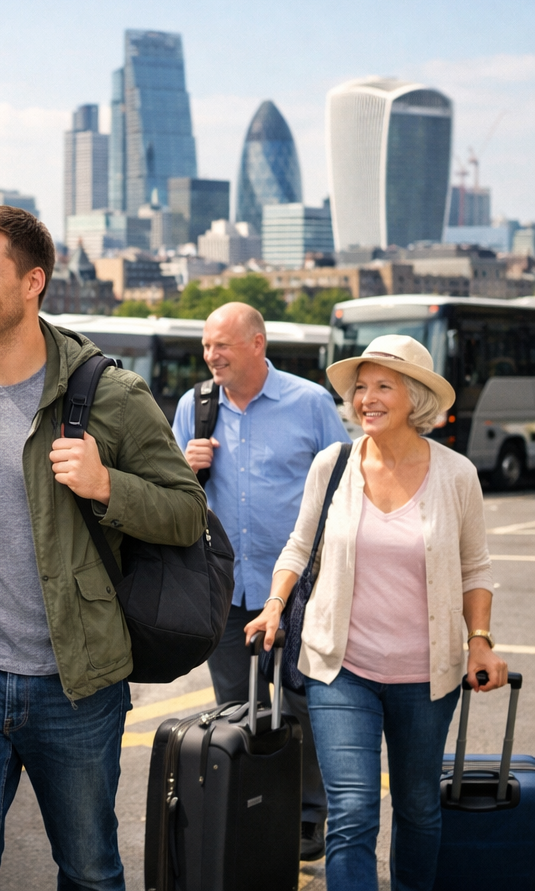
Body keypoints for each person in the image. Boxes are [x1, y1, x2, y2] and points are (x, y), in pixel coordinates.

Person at [0, 205, 204, 891]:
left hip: (75, 682)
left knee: (88, 869)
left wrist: (108, 485)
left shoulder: (108, 393)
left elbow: (187, 512)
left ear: (33, 283)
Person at [246, 334, 507, 891]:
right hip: (342, 668)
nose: (366, 398)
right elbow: (298, 545)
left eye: (382, 386)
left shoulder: (456, 474)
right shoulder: (333, 463)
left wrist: (479, 639)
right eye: (360, 388)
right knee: (354, 811)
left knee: (417, 811)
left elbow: (475, 569)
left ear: (414, 398)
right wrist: (274, 606)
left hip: (426, 677)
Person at [171, 301, 349, 860]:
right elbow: (169, 496)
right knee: (238, 709)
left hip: (299, 593)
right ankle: (252, 806)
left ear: (256, 343)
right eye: (206, 346)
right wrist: (184, 462)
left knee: (302, 707)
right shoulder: (194, 406)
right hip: (223, 590)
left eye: (221, 345)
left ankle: (307, 818)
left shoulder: (311, 403)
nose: (210, 356)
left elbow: (345, 487)